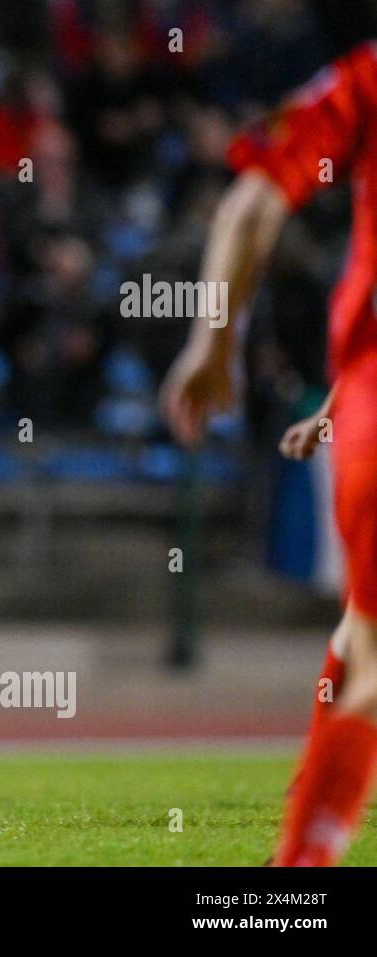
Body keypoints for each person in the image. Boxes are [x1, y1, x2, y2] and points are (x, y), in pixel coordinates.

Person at [160, 42, 377, 865]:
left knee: (366, 640)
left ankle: (299, 861)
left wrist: (214, 346)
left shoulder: (364, 81)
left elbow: (251, 205)